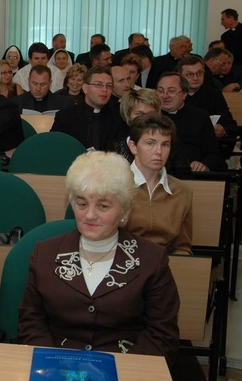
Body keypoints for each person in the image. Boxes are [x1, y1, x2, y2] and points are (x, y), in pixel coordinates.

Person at [17, 150, 180, 366]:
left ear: (124, 211)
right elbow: (31, 322)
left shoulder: (152, 260)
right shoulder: (44, 254)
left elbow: (161, 335)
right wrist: (53, 365)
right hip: (56, 368)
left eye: (103, 206)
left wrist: (118, 373)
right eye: (82, 204)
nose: (90, 215)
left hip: (126, 372)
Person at [124, 114, 193, 255]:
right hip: (122, 264)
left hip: (165, 265)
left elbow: (182, 247)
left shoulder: (182, 191)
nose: (159, 152)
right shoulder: (114, 185)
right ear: (133, 146)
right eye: (151, 143)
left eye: (165, 144)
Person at [111, 89, 190, 177]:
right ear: (128, 116)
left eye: (151, 114)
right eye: (139, 114)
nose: (145, 119)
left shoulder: (172, 143)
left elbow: (185, 177)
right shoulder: (114, 147)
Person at [157, 72, 225, 172]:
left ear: (184, 93)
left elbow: (213, 154)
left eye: (171, 91)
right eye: (160, 91)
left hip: (190, 174)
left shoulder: (200, 117)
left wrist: (203, 165)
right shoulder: (151, 116)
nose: (165, 96)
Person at [51, 66, 124, 151]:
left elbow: (121, 155)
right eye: (98, 84)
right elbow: (55, 148)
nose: (105, 89)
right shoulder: (65, 117)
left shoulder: (118, 118)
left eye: (109, 85)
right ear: (85, 88)